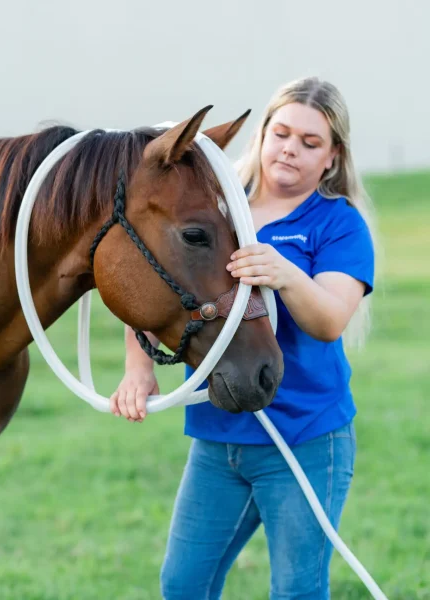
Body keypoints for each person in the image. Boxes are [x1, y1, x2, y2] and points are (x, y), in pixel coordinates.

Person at [110, 76, 376, 600]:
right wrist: (138, 370)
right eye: (282, 133)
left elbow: (329, 320)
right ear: (263, 134)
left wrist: (285, 274)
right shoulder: (214, 205)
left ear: (332, 157)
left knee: (297, 592)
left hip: (305, 440)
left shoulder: (339, 226)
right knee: (184, 584)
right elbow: (151, 276)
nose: (290, 150)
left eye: (310, 143)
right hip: (217, 438)